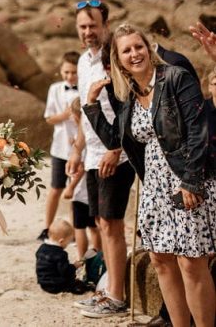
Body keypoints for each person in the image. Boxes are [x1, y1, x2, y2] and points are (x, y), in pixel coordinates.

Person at [83, 23, 216, 327]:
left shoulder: (175, 78)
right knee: (161, 260)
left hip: (186, 178)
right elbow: (116, 141)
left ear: (149, 48)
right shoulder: (130, 94)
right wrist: (92, 107)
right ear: (117, 60)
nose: (134, 54)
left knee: (191, 262)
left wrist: (192, 181)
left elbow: (199, 132)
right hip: (154, 186)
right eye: (126, 50)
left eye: (138, 46)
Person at [66, 0, 134, 318]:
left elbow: (127, 107)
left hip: (114, 155)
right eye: (82, 26)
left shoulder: (113, 59)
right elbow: (85, 111)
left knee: (111, 223)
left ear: (105, 24)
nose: (88, 31)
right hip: (92, 154)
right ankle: (107, 288)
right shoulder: (82, 62)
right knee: (99, 223)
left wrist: (116, 149)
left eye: (93, 25)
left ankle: (116, 296)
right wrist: (77, 151)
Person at [38, 51, 80, 241]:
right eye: (66, 72)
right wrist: (64, 115)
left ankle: (72, 232)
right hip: (59, 148)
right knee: (56, 188)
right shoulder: (54, 89)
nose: (70, 76)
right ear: (61, 71)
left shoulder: (85, 88)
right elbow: (49, 118)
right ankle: (47, 228)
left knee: (75, 191)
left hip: (79, 150)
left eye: (74, 72)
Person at [66, 98, 101, 262]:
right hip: (93, 191)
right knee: (95, 227)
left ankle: (81, 259)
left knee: (79, 227)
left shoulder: (83, 139)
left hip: (81, 192)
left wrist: (70, 187)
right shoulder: (94, 134)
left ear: (77, 117)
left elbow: (80, 168)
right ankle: (99, 257)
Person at [35, 219, 93, 295]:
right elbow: (65, 271)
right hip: (55, 285)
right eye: (68, 242)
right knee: (79, 284)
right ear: (61, 241)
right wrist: (75, 266)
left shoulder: (41, 248)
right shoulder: (60, 254)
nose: (68, 244)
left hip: (43, 283)